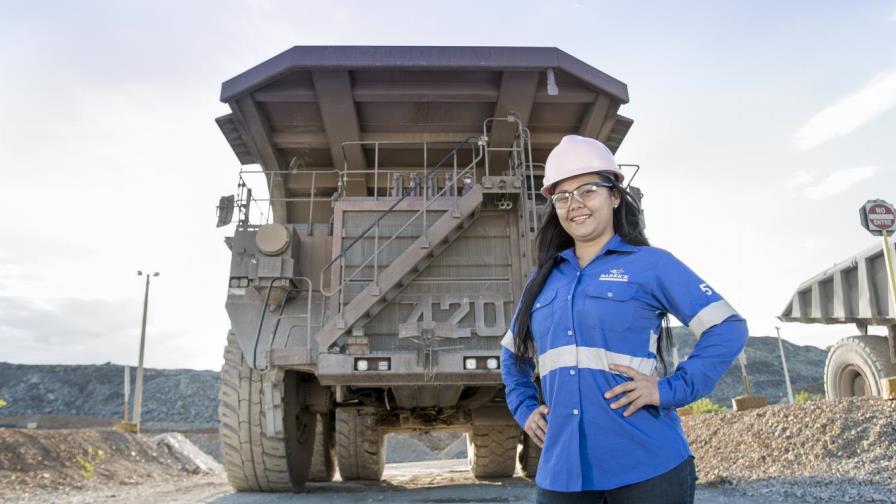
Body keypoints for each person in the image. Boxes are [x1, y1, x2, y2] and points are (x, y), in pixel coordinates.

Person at [500, 135, 748, 504]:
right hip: (561, 475)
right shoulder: (542, 281)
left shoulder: (651, 265)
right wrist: (524, 408)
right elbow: (512, 356)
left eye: (588, 190)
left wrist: (668, 390)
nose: (575, 204)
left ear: (614, 196)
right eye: (563, 196)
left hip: (647, 467)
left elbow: (727, 328)